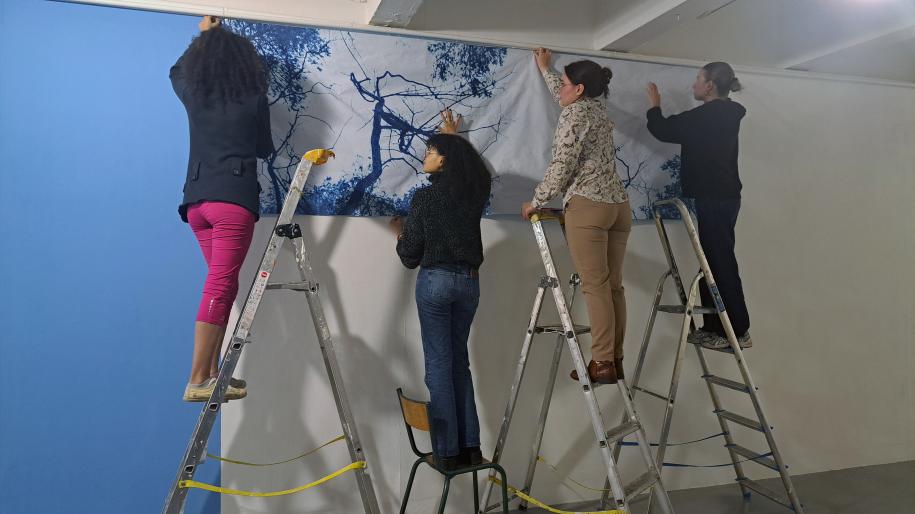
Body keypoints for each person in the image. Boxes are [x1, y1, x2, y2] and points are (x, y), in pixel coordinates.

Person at [170, 16, 274, 401]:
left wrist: (204, 36)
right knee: (220, 284)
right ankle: (198, 378)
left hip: (196, 202)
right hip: (232, 199)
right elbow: (263, 147)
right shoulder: (252, 96)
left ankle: (212, 373)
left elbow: (175, 72)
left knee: (223, 285)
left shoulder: (194, 93)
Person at [522, 48, 631, 385]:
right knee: (613, 288)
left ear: (579, 89)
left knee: (595, 288)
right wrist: (546, 70)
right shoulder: (597, 108)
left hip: (589, 207)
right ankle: (614, 360)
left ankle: (600, 363)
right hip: (618, 207)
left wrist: (536, 200)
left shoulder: (574, 116)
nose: (562, 89)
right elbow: (564, 94)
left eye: (567, 83)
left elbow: (562, 165)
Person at [390, 110, 491, 471]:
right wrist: (455, 137)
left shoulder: (424, 199)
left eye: (431, 151)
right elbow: (475, 170)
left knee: (438, 366)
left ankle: (447, 451)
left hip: (435, 283)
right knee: (458, 362)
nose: (424, 157)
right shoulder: (475, 192)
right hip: (468, 282)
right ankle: (471, 448)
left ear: (444, 160)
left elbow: (409, 256)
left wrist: (400, 235)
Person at [645, 61, 752, 350]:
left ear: (709, 86)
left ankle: (736, 330)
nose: (693, 85)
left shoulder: (707, 116)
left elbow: (664, 130)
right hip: (723, 196)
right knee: (713, 262)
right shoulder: (726, 114)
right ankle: (717, 328)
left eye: (697, 79)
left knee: (719, 262)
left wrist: (654, 105)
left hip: (716, 198)